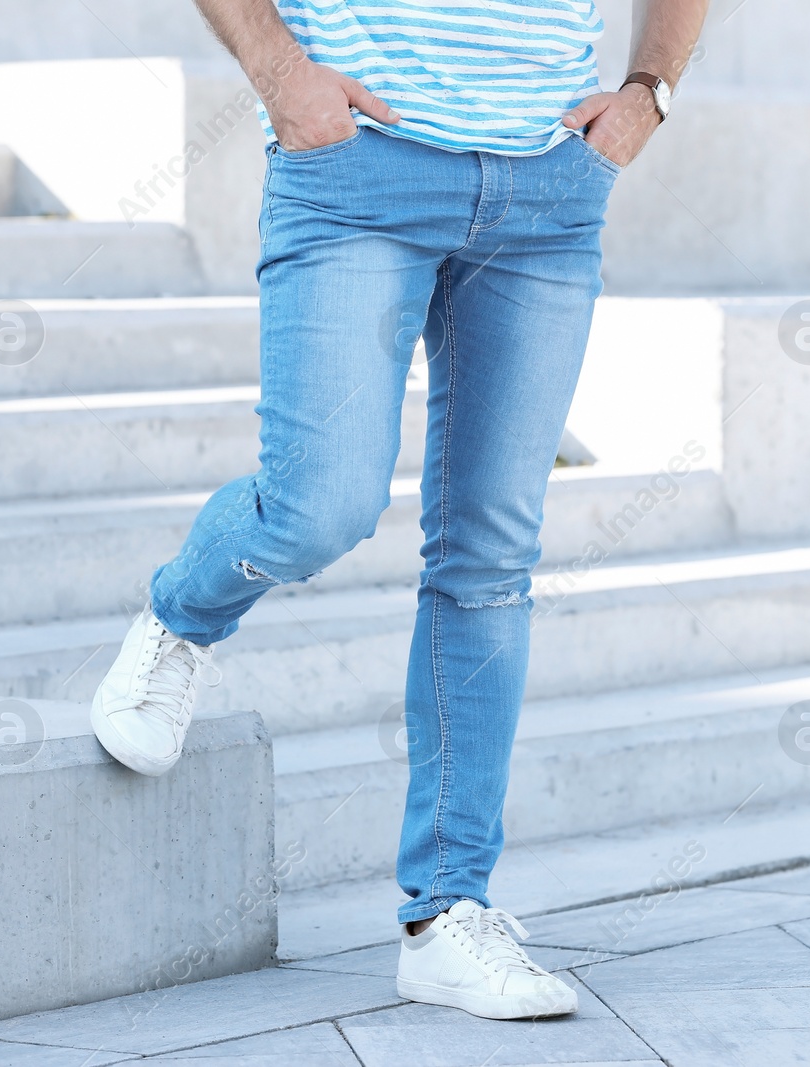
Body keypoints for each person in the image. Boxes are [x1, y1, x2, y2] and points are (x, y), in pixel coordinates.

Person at [89, 0, 709, 1022]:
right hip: (356, 165)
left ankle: (449, 911)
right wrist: (284, 74)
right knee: (314, 505)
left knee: (491, 558)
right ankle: (181, 617)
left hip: (548, 188)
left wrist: (649, 90)